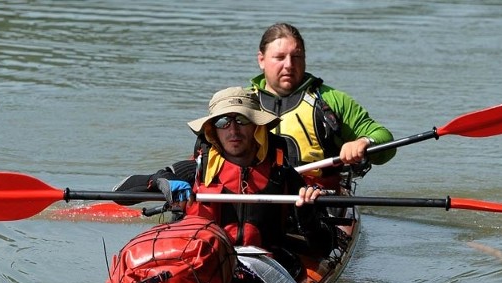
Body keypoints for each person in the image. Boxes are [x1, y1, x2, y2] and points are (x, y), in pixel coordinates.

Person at [113, 86, 334, 260]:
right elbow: (119, 194)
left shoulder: (283, 176)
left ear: (257, 127)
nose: (233, 129)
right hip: (201, 261)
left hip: (264, 266)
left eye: (242, 119)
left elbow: (323, 249)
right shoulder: (195, 170)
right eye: (223, 121)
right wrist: (161, 181)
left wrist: (308, 215)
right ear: (213, 130)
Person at [251, 23, 396, 188]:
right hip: (258, 198)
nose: (289, 65)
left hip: (319, 200)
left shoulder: (331, 100)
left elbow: (385, 141)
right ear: (261, 60)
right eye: (280, 57)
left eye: (296, 57)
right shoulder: (242, 103)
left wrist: (364, 142)